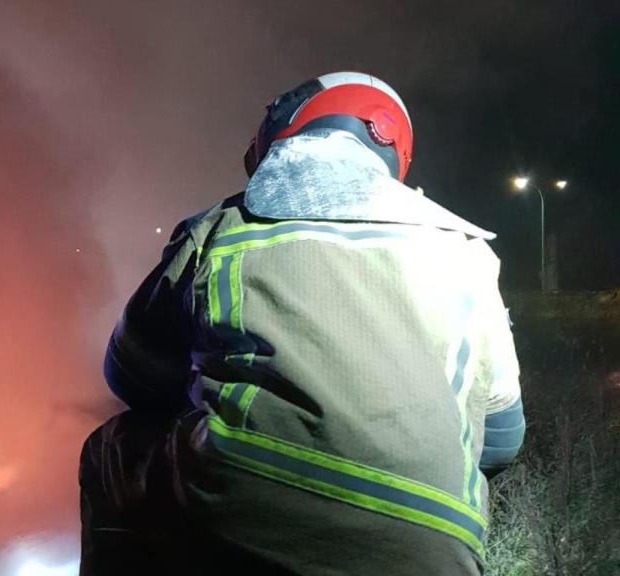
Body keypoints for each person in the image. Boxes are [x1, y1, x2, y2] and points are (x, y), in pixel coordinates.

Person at [79, 71, 525, 575]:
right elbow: (503, 440)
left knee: (111, 449)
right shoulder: (468, 255)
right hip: (436, 553)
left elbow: (131, 375)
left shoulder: (223, 229)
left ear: (281, 136)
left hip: (240, 515)